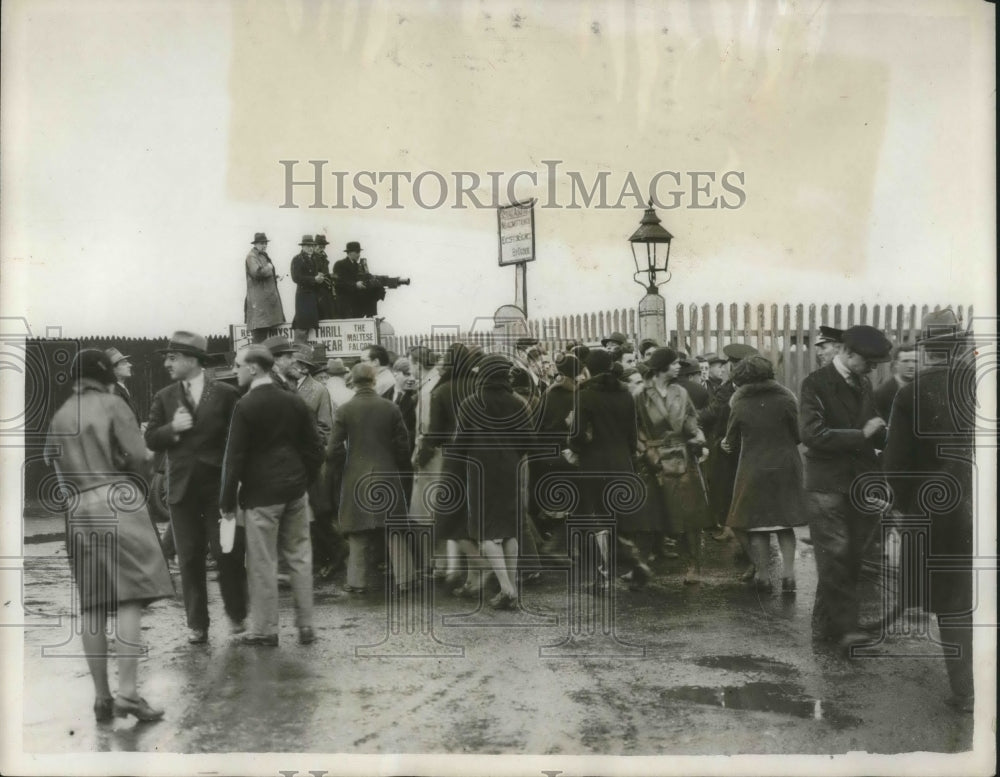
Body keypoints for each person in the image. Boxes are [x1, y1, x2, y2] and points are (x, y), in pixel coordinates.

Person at [45, 349, 173, 723]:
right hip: (117, 502)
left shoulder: (61, 415)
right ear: (104, 375)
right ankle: (129, 694)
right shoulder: (113, 404)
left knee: (93, 604)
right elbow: (140, 457)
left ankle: (102, 698)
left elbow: (55, 468)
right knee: (131, 597)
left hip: (77, 509)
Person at [882, 309, 976, 712]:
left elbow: (896, 465)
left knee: (955, 602)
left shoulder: (911, 393)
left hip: (941, 513)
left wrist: (905, 511)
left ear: (925, 348)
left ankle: (968, 691)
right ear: (961, 345)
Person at [145, 331, 246, 644]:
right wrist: (171, 429)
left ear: (192, 359)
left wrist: (237, 480)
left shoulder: (226, 394)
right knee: (188, 557)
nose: (167, 363)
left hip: (218, 488)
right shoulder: (164, 396)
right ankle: (197, 624)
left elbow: (238, 439)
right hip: (181, 488)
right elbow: (151, 438)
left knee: (226, 551)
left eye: (172, 357)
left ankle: (237, 613)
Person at [220, 345, 323, 646]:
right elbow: (315, 448)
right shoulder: (293, 401)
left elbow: (234, 457)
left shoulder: (246, 405)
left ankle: (265, 630)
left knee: (262, 562)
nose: (235, 370)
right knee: (300, 557)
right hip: (295, 490)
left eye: (238, 365)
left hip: (261, 495)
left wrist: (226, 501)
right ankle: (306, 626)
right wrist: (305, 480)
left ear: (254, 368)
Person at [799, 324, 891, 654]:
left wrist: (888, 434)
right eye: (869, 361)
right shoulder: (815, 384)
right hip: (826, 484)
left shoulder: (864, 382)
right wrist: (862, 435)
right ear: (847, 353)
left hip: (859, 484)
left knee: (849, 556)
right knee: (836, 554)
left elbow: (874, 426)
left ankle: (825, 626)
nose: (874, 368)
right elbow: (812, 435)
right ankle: (847, 631)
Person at [455, 355, 536, 608]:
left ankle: (506, 588)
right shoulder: (518, 402)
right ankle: (510, 587)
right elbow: (530, 442)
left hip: (480, 470)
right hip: (510, 468)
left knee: (486, 530)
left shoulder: (469, 403)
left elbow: (460, 443)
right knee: (510, 529)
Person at [328, 363, 415, 594]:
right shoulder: (391, 408)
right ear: (374, 380)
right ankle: (404, 579)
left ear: (352, 382)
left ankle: (357, 581)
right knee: (394, 528)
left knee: (358, 529)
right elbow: (403, 446)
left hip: (356, 473)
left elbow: (333, 448)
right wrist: (400, 467)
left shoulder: (345, 410)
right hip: (387, 472)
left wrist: (345, 463)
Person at [721, 355, 805, 593]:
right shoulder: (787, 399)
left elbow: (731, 439)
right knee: (784, 522)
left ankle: (764, 577)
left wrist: (726, 444)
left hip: (753, 467)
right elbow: (798, 435)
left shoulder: (738, 403)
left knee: (757, 524)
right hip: (785, 465)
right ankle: (789, 577)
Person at [635, 347, 712, 584]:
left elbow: (691, 421)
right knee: (649, 515)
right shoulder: (640, 395)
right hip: (653, 459)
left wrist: (698, 436)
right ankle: (640, 565)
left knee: (689, 515)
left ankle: (693, 566)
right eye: (675, 363)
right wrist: (646, 452)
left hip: (682, 457)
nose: (679, 367)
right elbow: (634, 429)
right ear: (661, 368)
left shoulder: (680, 392)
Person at [292, 344, 343, 582]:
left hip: (311, 460)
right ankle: (319, 557)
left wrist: (308, 446)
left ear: (303, 368)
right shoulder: (287, 387)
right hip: (292, 461)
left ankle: (335, 555)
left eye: (294, 363)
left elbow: (325, 427)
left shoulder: (318, 390)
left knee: (319, 511)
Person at [699, 343, 758, 544]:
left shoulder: (737, 389)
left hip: (735, 444)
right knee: (727, 487)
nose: (725, 369)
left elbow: (714, 412)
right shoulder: (729, 387)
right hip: (729, 444)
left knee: (732, 487)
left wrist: (694, 419)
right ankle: (731, 527)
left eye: (730, 364)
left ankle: (735, 530)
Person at [244, 232, 285, 343]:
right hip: (259, 305)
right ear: (256, 244)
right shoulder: (251, 256)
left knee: (264, 337)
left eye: (266, 243)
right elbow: (257, 273)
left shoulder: (261, 255)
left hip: (264, 303)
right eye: (262, 243)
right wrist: (269, 267)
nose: (265, 245)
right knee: (259, 337)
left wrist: (273, 276)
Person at [332, 241, 382, 317]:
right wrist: (355, 285)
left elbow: (365, 276)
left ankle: (370, 315)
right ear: (349, 253)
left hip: (356, 302)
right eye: (357, 252)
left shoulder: (358, 266)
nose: (359, 254)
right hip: (345, 302)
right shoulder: (339, 264)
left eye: (359, 252)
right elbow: (338, 283)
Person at [290, 234, 325, 342]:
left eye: (312, 245)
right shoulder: (297, 259)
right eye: (308, 245)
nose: (311, 248)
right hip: (303, 297)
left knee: (309, 325)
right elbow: (296, 278)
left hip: (313, 296)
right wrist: (314, 279)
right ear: (303, 246)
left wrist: (320, 278)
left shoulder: (315, 258)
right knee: (302, 326)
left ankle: (304, 352)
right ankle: (299, 351)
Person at [874, 343, 917, 420]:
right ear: (896, 364)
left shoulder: (923, 388)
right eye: (905, 361)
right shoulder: (881, 393)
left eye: (915, 361)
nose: (911, 366)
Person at [104, 347, 140, 423]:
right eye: (124, 363)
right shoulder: (112, 393)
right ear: (112, 369)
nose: (130, 365)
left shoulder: (122, 389)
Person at [312, 234, 338, 320]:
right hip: (316, 290)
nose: (322, 249)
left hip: (325, 289)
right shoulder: (311, 258)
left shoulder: (324, 258)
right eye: (320, 246)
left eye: (323, 246)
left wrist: (330, 276)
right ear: (314, 246)